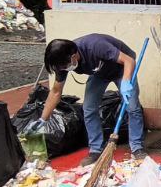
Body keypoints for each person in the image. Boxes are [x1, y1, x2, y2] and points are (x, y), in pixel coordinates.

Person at [42, 34, 145, 164]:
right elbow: (56, 92)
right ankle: (95, 149)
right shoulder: (62, 61)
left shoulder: (96, 46)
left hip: (122, 68)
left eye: (63, 67)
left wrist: (126, 82)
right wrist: (42, 120)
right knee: (89, 108)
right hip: (100, 73)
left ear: (73, 57)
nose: (63, 70)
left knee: (132, 107)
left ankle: (137, 147)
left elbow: (129, 60)